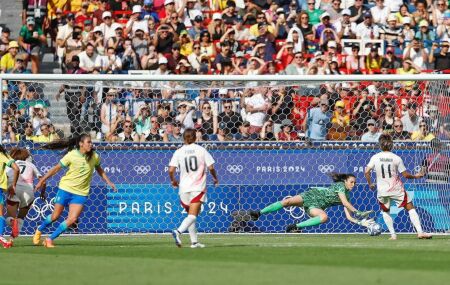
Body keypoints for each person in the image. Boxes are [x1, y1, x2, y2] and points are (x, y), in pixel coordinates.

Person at [33, 134, 117, 247]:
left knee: (72, 219)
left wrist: (109, 182)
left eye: (91, 142)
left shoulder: (95, 157)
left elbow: (99, 170)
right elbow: (55, 169)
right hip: (66, 189)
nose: (91, 144)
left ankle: (49, 239)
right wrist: (41, 181)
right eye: (88, 142)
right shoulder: (71, 155)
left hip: (81, 193)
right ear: (81, 144)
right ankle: (39, 229)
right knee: (55, 216)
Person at [249, 173, 373, 232]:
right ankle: (258, 213)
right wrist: (359, 212)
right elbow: (346, 204)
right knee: (287, 202)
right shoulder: (340, 186)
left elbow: (349, 216)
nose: (353, 184)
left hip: (316, 206)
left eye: (355, 183)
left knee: (324, 217)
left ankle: (295, 227)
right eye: (351, 182)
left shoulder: (347, 197)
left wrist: (362, 223)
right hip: (311, 195)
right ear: (345, 181)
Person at [364, 134, 432, 240]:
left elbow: (366, 171)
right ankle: (420, 232)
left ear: (380, 145)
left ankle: (393, 235)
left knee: (385, 211)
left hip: (382, 190)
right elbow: (405, 175)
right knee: (410, 207)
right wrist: (416, 176)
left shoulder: (375, 157)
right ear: (391, 145)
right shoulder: (396, 158)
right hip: (396, 189)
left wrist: (370, 183)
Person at [168, 128, 219, 248]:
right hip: (197, 187)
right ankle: (178, 231)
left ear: (183, 138)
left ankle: (194, 242)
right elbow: (211, 167)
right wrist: (215, 178)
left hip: (183, 189)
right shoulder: (201, 150)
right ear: (195, 137)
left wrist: (173, 181)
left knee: (190, 216)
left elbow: (171, 170)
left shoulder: (179, 151)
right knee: (193, 215)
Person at [5, 148, 43, 239]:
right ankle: (11, 239)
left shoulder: (10, 165)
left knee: (9, 218)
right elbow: (43, 181)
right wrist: (43, 192)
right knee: (21, 217)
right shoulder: (31, 165)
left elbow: (5, 177)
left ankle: (12, 222)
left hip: (14, 190)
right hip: (29, 192)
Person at [0, 145, 19, 248]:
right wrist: (13, 185)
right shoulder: (3, 155)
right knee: (0, 214)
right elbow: (16, 169)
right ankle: (1, 236)